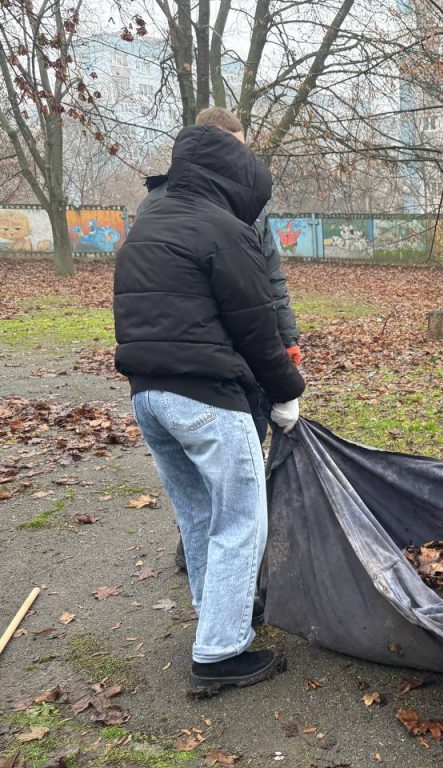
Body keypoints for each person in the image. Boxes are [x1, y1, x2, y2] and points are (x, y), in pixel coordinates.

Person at [113, 122, 306, 698]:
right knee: (241, 520)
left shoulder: (148, 225)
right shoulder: (224, 230)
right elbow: (257, 328)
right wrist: (286, 392)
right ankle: (221, 651)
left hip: (149, 398)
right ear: (235, 179)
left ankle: (217, 616)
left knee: (198, 516)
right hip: (208, 400)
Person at [138, 107, 301, 573]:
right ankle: (231, 562)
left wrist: (289, 340)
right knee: (229, 477)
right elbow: (249, 299)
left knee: (216, 464)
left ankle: (209, 553)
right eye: (236, 149)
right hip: (217, 360)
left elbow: (271, 279)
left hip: (168, 373)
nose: (243, 160)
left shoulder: (240, 206)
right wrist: (281, 376)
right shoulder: (178, 207)